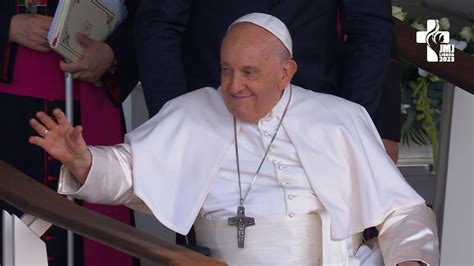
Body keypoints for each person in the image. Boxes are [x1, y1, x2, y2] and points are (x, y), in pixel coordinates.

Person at [31, 14, 438, 265]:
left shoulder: (339, 118)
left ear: (286, 73)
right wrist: (82, 161)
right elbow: (128, 170)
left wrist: (410, 262)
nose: (234, 86)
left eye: (249, 73)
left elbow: (404, 211)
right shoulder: (194, 112)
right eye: (226, 70)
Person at [135, 0, 401, 162]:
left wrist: (349, 125)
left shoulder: (334, 125)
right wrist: (173, 124)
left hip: (318, 122)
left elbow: (370, 28)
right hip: (212, 116)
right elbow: (159, 24)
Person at [0, 0, 138, 265]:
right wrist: (8, 25)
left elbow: (150, 16)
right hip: (9, 107)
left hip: (90, 97)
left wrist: (112, 52)